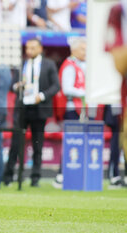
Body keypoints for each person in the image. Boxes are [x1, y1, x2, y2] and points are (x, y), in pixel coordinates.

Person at [3, 38, 60, 187]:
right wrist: (17, 86)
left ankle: (35, 178)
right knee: (16, 143)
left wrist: (40, 96)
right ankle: (8, 176)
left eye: (33, 48)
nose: (30, 51)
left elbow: (56, 86)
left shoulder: (49, 64)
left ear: (40, 49)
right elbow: (12, 86)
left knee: (37, 144)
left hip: (39, 108)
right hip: (23, 107)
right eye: (28, 48)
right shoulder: (22, 64)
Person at [52, 37, 86, 188]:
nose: (86, 52)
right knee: (71, 142)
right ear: (74, 50)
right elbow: (67, 89)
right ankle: (60, 175)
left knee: (75, 142)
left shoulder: (78, 65)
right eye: (83, 49)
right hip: (71, 110)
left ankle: (69, 174)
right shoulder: (69, 66)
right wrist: (85, 92)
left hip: (78, 110)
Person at [105, 0, 127, 186]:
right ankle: (115, 173)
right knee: (117, 138)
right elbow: (118, 64)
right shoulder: (117, 11)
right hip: (116, 101)